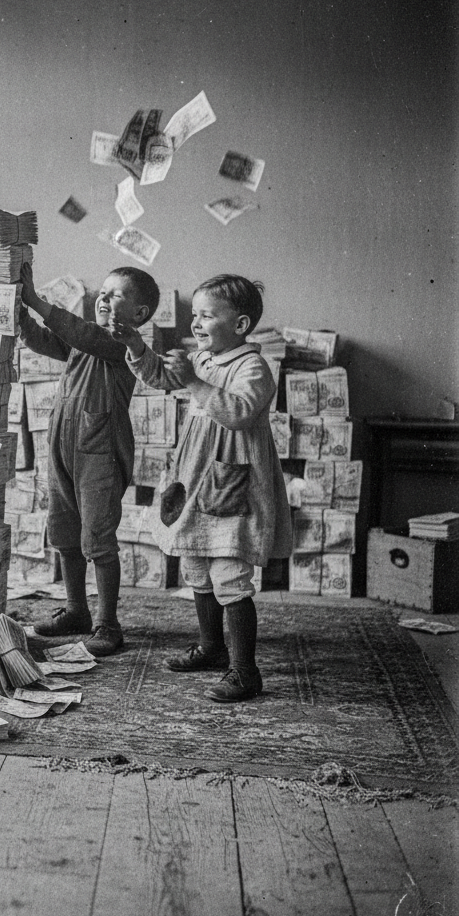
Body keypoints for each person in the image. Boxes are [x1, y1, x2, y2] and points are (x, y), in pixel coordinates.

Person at [112, 274, 292, 701]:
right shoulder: (205, 358)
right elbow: (160, 375)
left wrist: (193, 380)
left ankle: (245, 670)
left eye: (207, 315)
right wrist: (138, 348)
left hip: (232, 484)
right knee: (196, 565)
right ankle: (213, 648)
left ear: (241, 325)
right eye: (195, 314)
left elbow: (241, 412)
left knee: (229, 571)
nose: (196, 323)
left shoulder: (253, 366)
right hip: (194, 478)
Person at [18, 261, 160, 657]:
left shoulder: (123, 346)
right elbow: (47, 341)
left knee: (98, 537)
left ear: (139, 315)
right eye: (102, 290)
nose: (103, 297)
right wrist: (16, 310)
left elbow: (77, 332)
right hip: (62, 447)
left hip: (100, 453)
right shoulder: (85, 342)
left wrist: (37, 300)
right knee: (63, 531)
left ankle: (107, 623)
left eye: (116, 294)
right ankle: (77, 611)